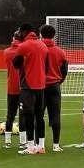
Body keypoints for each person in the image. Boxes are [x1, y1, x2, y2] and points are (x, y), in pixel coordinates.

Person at [12, 23, 49, 154]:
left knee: (28, 116)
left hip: (27, 86)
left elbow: (16, 64)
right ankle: (41, 146)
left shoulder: (23, 46)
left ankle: (30, 147)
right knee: (40, 116)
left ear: (24, 32)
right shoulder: (43, 45)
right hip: (41, 85)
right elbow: (47, 66)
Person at [41, 23, 68, 152]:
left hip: (40, 87)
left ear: (41, 35)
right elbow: (65, 70)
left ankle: (39, 144)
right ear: (54, 35)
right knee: (55, 115)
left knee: (38, 115)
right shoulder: (60, 51)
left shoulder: (38, 49)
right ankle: (56, 145)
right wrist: (58, 81)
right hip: (55, 86)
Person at [3, 30, 25, 149]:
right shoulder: (24, 51)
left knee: (10, 115)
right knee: (23, 115)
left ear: (13, 38)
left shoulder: (6, 51)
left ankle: (7, 141)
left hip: (11, 87)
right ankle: (22, 142)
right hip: (23, 87)